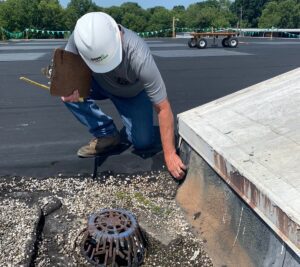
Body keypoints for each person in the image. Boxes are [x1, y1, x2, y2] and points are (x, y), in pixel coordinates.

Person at [62, 12, 186, 180]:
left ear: (118, 35)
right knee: (65, 90)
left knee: (143, 143)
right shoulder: (79, 41)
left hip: (131, 93)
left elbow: (163, 108)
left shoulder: (138, 54)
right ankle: (106, 133)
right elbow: (67, 72)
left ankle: (133, 124)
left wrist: (170, 154)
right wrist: (70, 88)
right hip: (97, 85)